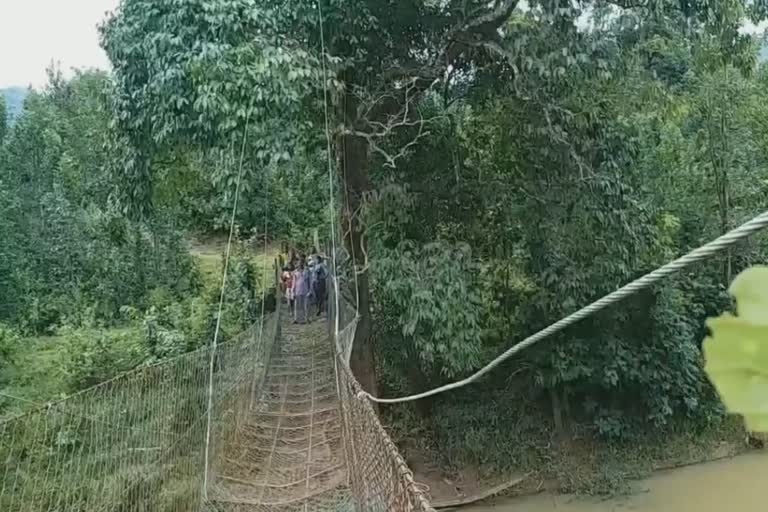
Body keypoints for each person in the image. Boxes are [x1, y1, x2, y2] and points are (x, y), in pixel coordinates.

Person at [292, 260, 310, 324]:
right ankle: (296, 319)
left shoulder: (306, 272)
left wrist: (310, 290)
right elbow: (294, 282)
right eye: (298, 264)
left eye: (300, 264)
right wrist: (293, 291)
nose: (299, 265)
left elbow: (309, 281)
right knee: (297, 306)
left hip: (305, 290)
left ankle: (306, 318)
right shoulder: (295, 272)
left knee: (305, 305)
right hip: (297, 291)